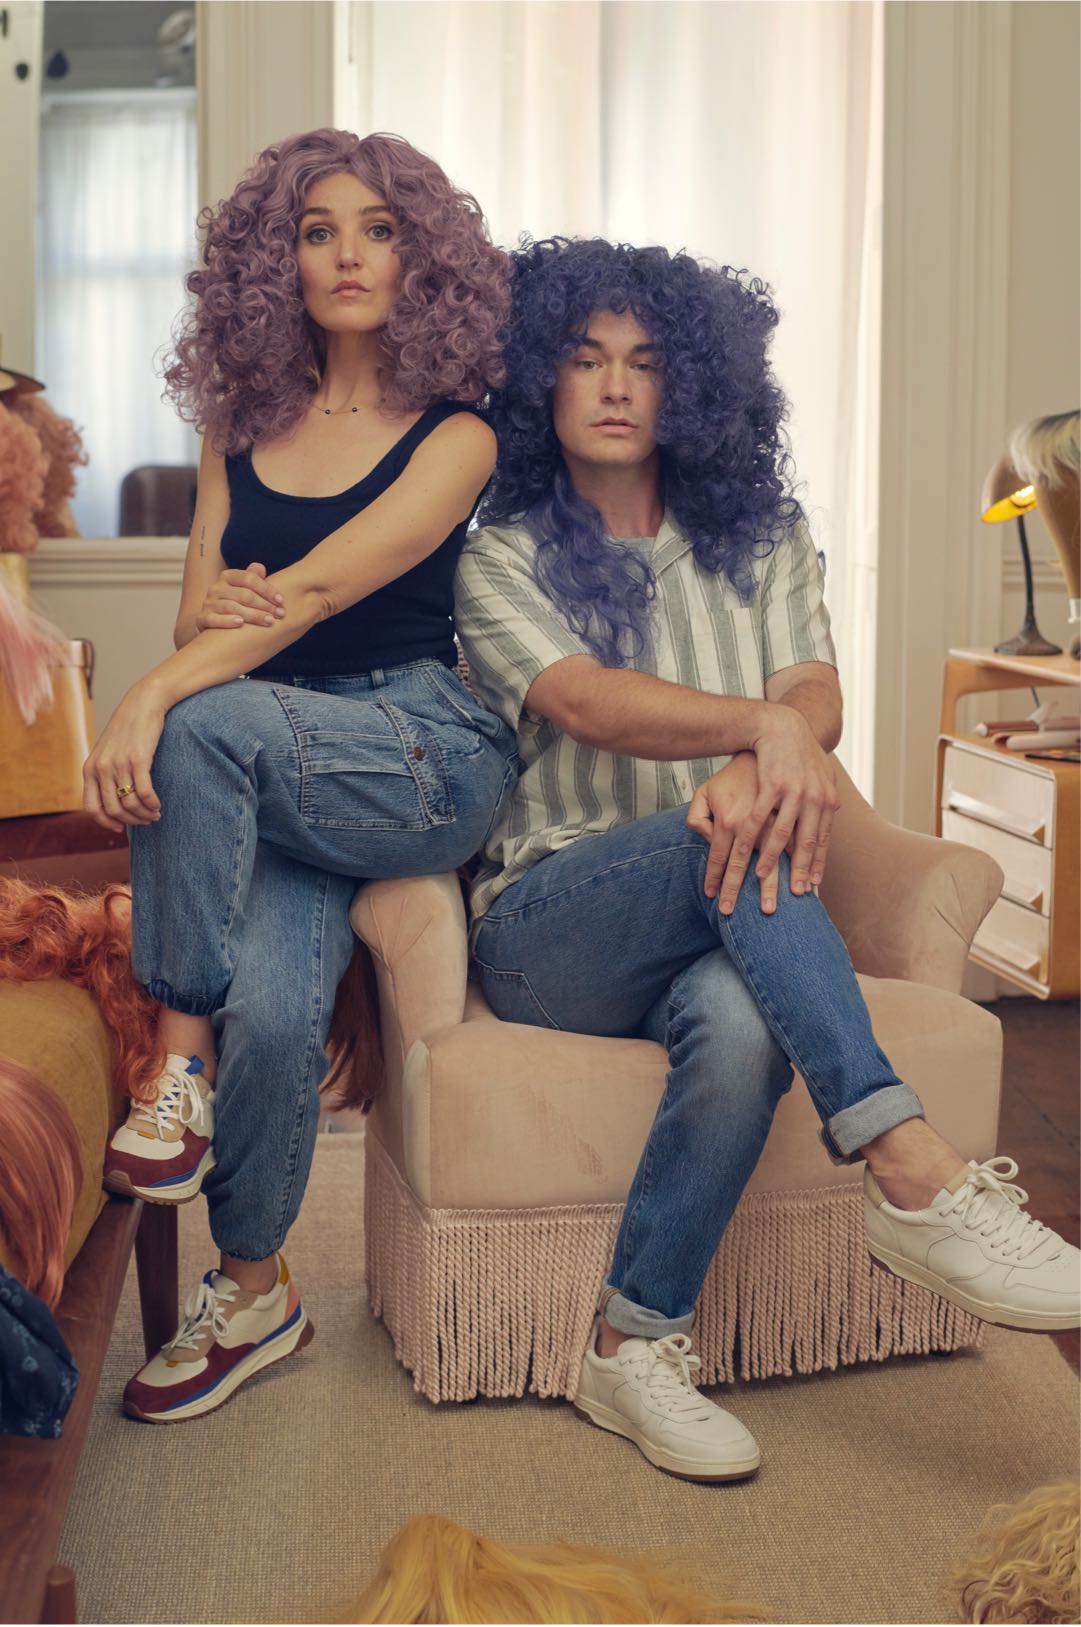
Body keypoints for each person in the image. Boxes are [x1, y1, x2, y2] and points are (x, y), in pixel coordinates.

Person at [454, 237, 1081, 1482]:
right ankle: (909, 1163)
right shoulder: (500, 552)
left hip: (729, 893)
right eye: (585, 358)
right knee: (730, 833)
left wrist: (774, 737)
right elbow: (586, 700)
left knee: (742, 1027)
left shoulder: (764, 533)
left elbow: (814, 687)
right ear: (539, 381)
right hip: (551, 926)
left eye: (645, 361)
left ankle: (628, 1344)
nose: (615, 385)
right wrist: (761, 731)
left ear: (692, 383)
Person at [84, 128, 518, 1423]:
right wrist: (199, 639)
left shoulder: (457, 435)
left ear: (421, 257)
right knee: (272, 1008)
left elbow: (317, 591)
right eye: (317, 231)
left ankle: (173, 1070)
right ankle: (254, 1287)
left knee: (195, 722)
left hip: (416, 750)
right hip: (273, 752)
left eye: (377, 230)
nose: (347, 255)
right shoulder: (238, 424)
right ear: (276, 261)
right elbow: (195, 615)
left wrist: (153, 692)